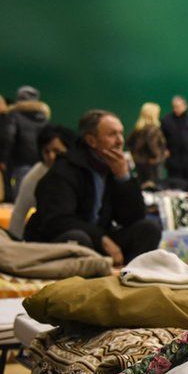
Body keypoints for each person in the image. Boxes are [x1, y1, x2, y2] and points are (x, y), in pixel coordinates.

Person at [24, 110, 161, 265]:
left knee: (149, 228)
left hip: (97, 238)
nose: (120, 141)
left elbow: (133, 217)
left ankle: (130, 278)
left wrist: (124, 178)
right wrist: (101, 238)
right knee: (78, 238)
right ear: (91, 140)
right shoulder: (65, 169)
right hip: (59, 242)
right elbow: (58, 221)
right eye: (112, 135)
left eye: (121, 134)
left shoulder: (115, 166)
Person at [8, 124, 76, 239]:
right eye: (46, 152)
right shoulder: (35, 175)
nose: (51, 156)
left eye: (57, 151)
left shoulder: (79, 172)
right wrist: (13, 244)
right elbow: (19, 213)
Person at [2, 85, 50, 200]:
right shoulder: (43, 116)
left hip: (20, 160)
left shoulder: (14, 115)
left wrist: (4, 158)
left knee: (21, 196)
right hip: (41, 160)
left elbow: (9, 137)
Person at [127, 102, 168, 188]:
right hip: (152, 168)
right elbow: (153, 147)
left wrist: (136, 156)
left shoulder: (137, 130)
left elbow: (129, 143)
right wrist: (160, 155)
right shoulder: (153, 130)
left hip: (140, 166)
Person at [160, 95, 188, 190]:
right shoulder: (166, 120)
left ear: (185, 106)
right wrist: (164, 150)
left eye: (178, 106)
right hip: (174, 162)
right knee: (174, 188)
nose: (176, 109)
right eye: (174, 106)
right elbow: (160, 139)